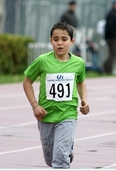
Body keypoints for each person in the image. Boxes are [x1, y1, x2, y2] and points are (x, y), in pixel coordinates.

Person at [22, 22, 90, 169]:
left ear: (72, 41)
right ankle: (67, 152)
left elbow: (81, 82)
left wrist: (84, 100)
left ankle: (64, 153)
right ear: (50, 40)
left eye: (64, 39)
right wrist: (35, 105)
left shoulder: (78, 63)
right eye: (56, 39)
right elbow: (27, 82)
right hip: (46, 115)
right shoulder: (42, 61)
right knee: (50, 159)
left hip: (68, 115)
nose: (60, 43)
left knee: (59, 160)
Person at [103, 0, 116, 75]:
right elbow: (110, 26)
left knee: (112, 53)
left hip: (111, 37)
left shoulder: (113, 13)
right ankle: (106, 67)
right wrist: (114, 36)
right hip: (112, 37)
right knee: (113, 53)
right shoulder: (112, 14)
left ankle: (108, 68)